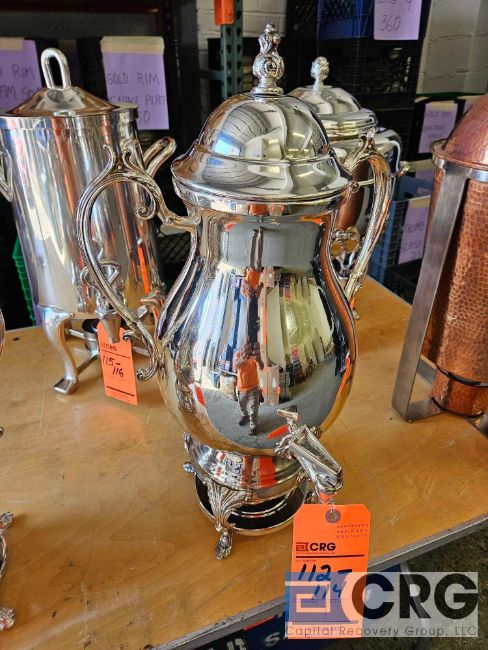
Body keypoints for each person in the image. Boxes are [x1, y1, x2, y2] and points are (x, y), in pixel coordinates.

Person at [234, 340, 264, 435]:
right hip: (241, 388)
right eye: (245, 343)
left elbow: (262, 367)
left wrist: (259, 359)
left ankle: (253, 425)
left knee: (254, 408)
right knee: (242, 405)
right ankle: (244, 415)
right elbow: (235, 366)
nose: (247, 344)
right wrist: (243, 358)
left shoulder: (254, 354)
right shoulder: (238, 353)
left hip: (253, 388)